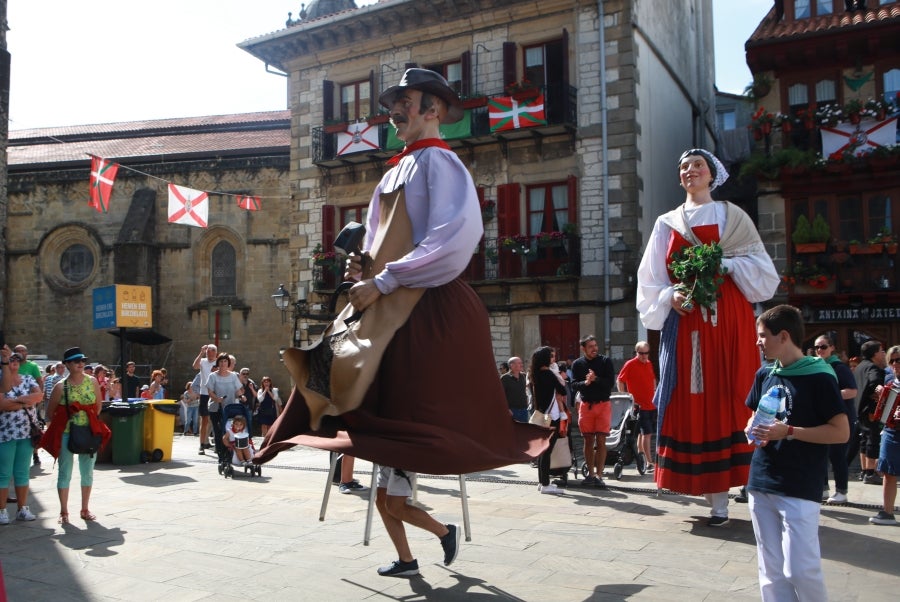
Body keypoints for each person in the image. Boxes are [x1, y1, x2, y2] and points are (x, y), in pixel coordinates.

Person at [256, 68, 549, 577]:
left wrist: (385, 279)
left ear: (432, 109)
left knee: (400, 396)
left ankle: (422, 484)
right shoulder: (393, 171)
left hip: (424, 302)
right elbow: (377, 245)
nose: (394, 111)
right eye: (394, 103)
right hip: (384, 296)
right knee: (329, 369)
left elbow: (453, 238)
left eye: (405, 102)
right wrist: (361, 267)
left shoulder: (440, 162)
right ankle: (278, 441)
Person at [636, 148, 779, 527]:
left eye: (697, 165)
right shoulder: (666, 223)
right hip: (689, 326)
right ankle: (713, 499)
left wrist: (725, 262)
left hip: (729, 320)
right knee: (694, 398)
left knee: (732, 395)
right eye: (683, 166)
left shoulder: (733, 216)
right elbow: (650, 279)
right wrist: (672, 296)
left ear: (712, 174)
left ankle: (747, 490)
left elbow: (764, 274)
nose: (689, 171)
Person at [745, 305, 849, 601]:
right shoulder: (765, 372)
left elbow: (841, 432)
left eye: (763, 335)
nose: (759, 342)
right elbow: (753, 416)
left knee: (801, 569)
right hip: (761, 479)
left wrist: (789, 431)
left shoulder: (820, 377)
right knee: (771, 571)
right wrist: (750, 427)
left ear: (784, 336)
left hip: (800, 484)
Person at [44, 347, 106, 524]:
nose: (81, 364)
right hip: (67, 433)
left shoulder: (92, 381)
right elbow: (49, 413)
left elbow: (98, 406)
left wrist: (87, 418)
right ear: (67, 365)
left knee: (87, 472)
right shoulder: (60, 386)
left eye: (83, 361)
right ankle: (64, 512)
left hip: (88, 431)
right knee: (65, 473)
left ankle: (85, 509)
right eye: (76, 361)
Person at [0, 351, 43, 524]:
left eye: (17, 358)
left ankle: (22, 509)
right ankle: (2, 510)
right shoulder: (1, 380)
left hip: (27, 432)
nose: (15, 361)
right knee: (3, 473)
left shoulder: (27, 378)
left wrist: (16, 401)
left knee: (22, 472)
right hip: (5, 433)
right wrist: (26, 400)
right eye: (10, 359)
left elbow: (39, 396)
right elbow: (2, 404)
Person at [814, 335, 857, 503]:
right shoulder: (817, 367)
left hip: (842, 418)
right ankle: (823, 489)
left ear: (832, 347)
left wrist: (829, 396)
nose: (819, 350)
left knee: (837, 455)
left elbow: (852, 391)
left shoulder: (839, 367)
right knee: (822, 454)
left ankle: (841, 491)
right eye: (817, 347)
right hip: (824, 419)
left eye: (823, 347)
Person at [570, 335, 615, 487]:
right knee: (588, 440)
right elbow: (574, 385)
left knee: (601, 440)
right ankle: (590, 474)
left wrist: (596, 379)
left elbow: (610, 383)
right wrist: (586, 382)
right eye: (591, 346)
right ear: (583, 348)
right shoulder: (577, 364)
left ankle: (600, 475)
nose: (595, 348)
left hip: (603, 405)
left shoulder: (605, 361)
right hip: (586, 405)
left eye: (595, 345)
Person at [529, 346, 569, 494]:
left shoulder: (535, 374)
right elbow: (563, 389)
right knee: (547, 451)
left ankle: (542, 482)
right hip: (551, 417)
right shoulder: (549, 374)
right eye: (551, 356)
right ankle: (545, 484)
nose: (553, 359)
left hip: (542, 415)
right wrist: (556, 373)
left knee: (543, 451)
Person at [616, 341, 658, 471]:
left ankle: (641, 459)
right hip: (639, 406)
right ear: (637, 352)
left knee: (642, 434)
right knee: (647, 434)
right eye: (642, 353)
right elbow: (620, 380)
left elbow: (652, 379)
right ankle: (649, 462)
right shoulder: (630, 364)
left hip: (651, 404)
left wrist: (655, 391)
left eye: (646, 353)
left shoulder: (649, 364)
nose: (644, 356)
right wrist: (626, 398)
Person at [853, 340, 887, 485]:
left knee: (864, 439)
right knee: (872, 440)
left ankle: (864, 471)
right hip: (871, 410)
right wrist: (879, 390)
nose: (883, 353)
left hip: (859, 409)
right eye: (881, 351)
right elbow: (875, 383)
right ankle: (871, 473)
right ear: (874, 354)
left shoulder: (860, 366)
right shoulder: (873, 367)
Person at [869, 378, 900, 525]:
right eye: (892, 361)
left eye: (898, 360)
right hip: (891, 429)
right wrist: (881, 396)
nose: (895, 364)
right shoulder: (891, 383)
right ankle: (887, 512)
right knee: (888, 471)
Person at [206, 352, 243, 460]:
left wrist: (242, 397)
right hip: (216, 408)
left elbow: (238, 390)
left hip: (230, 409)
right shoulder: (213, 376)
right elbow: (210, 392)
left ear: (228, 363)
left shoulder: (233, 376)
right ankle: (221, 455)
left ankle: (229, 453)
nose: (223, 363)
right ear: (218, 363)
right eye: (221, 361)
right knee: (218, 432)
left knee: (229, 431)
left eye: (225, 361)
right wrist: (217, 399)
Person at [192, 344, 217, 454]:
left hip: (215, 394)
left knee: (216, 420)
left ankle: (217, 444)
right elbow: (195, 366)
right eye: (208, 353)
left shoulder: (219, 362)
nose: (209, 356)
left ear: (215, 353)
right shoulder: (202, 361)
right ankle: (201, 445)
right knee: (205, 420)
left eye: (211, 353)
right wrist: (201, 352)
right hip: (204, 394)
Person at [501, 357, 529, 423]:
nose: (521, 365)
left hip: (524, 410)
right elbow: (501, 395)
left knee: (524, 431)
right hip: (512, 410)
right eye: (519, 363)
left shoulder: (523, 376)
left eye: (521, 363)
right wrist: (506, 409)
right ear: (512, 365)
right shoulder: (505, 378)